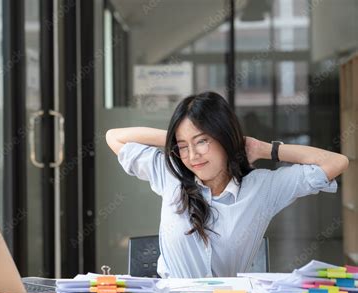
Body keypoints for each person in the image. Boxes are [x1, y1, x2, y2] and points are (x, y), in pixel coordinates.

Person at [105, 91, 348, 278]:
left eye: (202, 141)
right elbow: (114, 136)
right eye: (183, 147)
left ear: (224, 137)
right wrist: (177, 137)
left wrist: (266, 149)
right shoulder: (170, 174)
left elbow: (336, 162)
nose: (193, 155)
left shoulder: (262, 189)